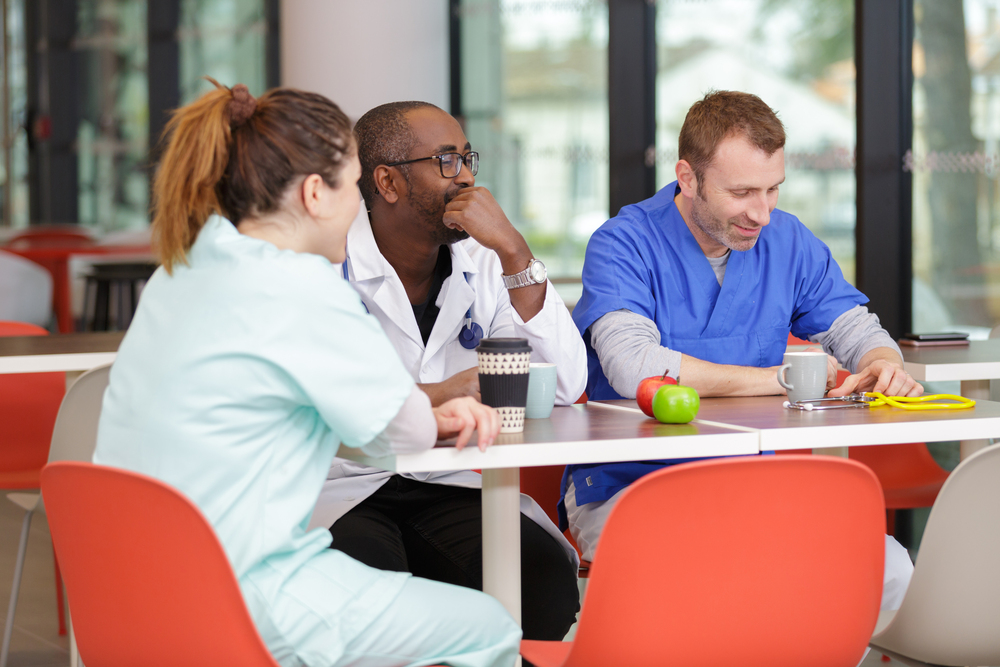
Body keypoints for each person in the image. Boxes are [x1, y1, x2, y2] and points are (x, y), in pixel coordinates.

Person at [92, 81, 521, 667]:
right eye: (354, 186)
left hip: (129, 590)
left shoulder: (184, 269)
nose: (360, 204)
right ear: (316, 193)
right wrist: (431, 417)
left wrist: (420, 413)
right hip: (244, 594)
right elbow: (404, 435)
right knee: (485, 624)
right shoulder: (302, 287)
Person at [567, 91, 919, 614]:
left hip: (752, 481)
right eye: (743, 192)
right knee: (719, 585)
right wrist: (779, 379)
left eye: (774, 189)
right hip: (631, 487)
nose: (764, 213)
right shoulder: (624, 244)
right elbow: (633, 366)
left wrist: (883, 363)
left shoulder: (789, 242)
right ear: (688, 179)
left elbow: (854, 326)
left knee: (885, 567)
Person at [309, 101, 586, 642]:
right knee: (366, 594)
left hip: (446, 481)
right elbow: (317, 408)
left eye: (467, 158)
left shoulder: (487, 262)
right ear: (387, 182)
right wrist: (440, 395)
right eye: (445, 160)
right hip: (342, 484)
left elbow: (569, 383)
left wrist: (512, 248)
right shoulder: (324, 264)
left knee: (541, 576)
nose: (466, 177)